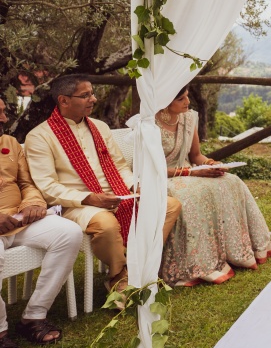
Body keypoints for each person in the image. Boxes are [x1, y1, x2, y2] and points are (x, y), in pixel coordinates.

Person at [23, 75, 181, 298]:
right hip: (75, 204)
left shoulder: (100, 127)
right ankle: (119, 277)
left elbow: (119, 165)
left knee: (169, 205)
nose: (93, 99)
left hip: (116, 193)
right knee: (106, 223)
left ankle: (136, 266)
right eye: (85, 95)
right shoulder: (40, 137)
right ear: (63, 100)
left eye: (92, 93)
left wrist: (134, 185)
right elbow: (47, 186)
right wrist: (89, 198)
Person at [154, 87, 271, 287]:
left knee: (231, 182)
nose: (187, 102)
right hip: (161, 177)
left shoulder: (189, 118)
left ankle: (238, 250)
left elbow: (196, 156)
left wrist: (212, 163)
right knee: (191, 194)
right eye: (181, 99)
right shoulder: (149, 123)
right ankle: (197, 262)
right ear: (166, 101)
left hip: (191, 172)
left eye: (187, 96)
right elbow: (151, 168)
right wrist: (191, 172)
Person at [0, 99, 83, 348]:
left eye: (3, 111)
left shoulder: (10, 143)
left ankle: (34, 316)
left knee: (69, 233)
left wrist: (33, 204)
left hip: (19, 221)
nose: (3, 119)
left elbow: (27, 183)